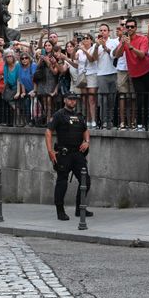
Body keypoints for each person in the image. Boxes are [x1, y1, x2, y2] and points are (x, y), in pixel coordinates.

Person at [45, 92, 92, 221]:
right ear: (65, 100)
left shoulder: (79, 116)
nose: (73, 102)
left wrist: (86, 142)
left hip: (78, 154)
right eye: (70, 99)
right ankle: (60, 211)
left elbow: (85, 130)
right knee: (62, 182)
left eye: (74, 100)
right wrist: (50, 151)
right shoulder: (59, 115)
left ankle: (80, 209)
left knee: (85, 181)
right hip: (64, 154)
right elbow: (48, 132)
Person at [94, 22, 119, 129]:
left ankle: (110, 121)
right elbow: (94, 58)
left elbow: (114, 56)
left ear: (109, 32)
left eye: (104, 30)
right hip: (101, 74)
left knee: (111, 99)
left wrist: (105, 46)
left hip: (113, 73)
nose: (102, 32)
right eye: (101, 30)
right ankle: (103, 121)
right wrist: (96, 46)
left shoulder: (113, 42)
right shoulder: (96, 44)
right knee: (103, 99)